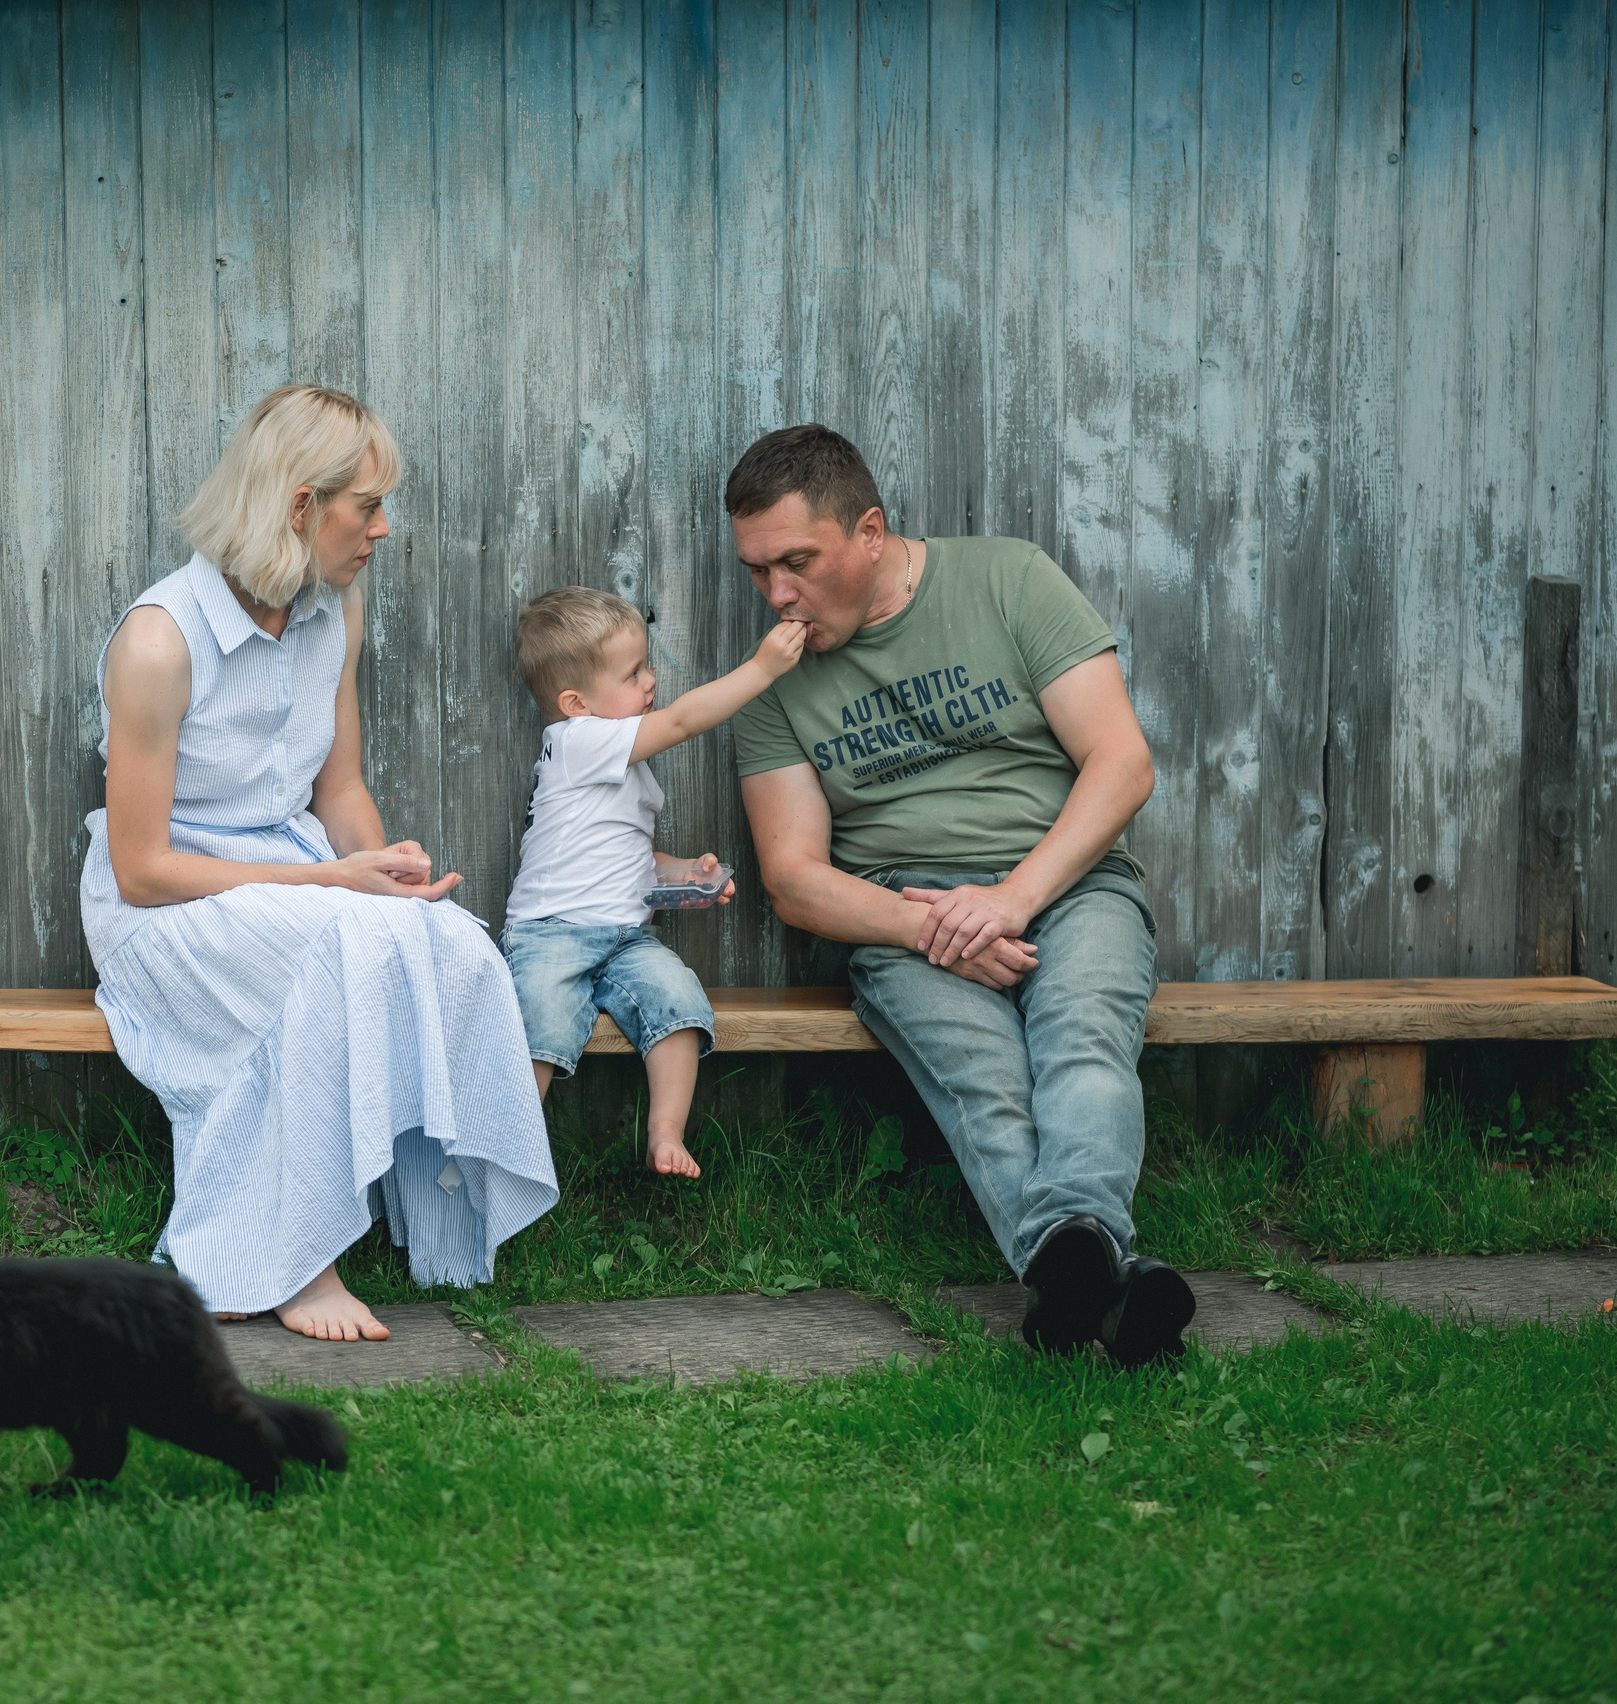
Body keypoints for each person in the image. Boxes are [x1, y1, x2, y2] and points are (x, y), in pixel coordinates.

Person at [83, 384, 559, 1342]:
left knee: (453, 943)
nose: (383, 529)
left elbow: (337, 792)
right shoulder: (159, 640)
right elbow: (141, 869)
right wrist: (333, 887)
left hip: (294, 873)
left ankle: (439, 1225)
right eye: (368, 506)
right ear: (301, 506)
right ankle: (294, 1257)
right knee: (340, 946)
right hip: (170, 904)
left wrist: (383, 866)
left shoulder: (328, 615)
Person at [727, 425, 1195, 1367]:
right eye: (757, 571)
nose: (778, 594)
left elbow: (1122, 762)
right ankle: (1107, 1279)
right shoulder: (773, 681)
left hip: (1068, 883)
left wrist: (1012, 899)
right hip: (902, 919)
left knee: (1085, 1034)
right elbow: (792, 877)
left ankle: (1074, 1272)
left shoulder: (1009, 581)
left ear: (869, 530)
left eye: (797, 562)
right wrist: (933, 923)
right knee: (985, 1082)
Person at [502, 587, 806, 1176]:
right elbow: (684, 721)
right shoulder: (577, 742)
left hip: (625, 939)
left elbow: (632, 860)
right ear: (577, 703)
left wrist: (686, 875)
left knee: (679, 998)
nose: (650, 681)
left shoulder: (622, 763)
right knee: (537, 1020)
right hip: (552, 935)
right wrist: (763, 668)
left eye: (646, 667)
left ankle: (666, 1132)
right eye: (633, 672)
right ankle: (509, 1145)